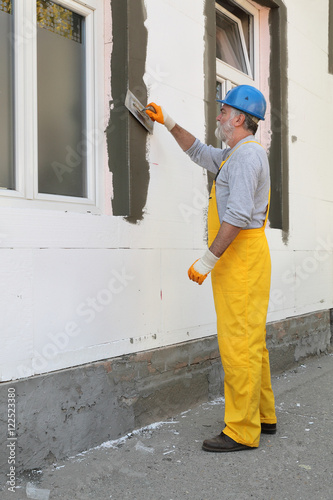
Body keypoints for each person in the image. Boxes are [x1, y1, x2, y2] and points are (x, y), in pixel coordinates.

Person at [145, 85, 277, 452]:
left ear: (239, 118)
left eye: (223, 110)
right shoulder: (235, 154)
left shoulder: (248, 157)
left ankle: (241, 431)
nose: (218, 115)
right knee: (251, 342)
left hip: (242, 259)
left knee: (238, 344)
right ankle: (263, 416)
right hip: (240, 258)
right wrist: (169, 123)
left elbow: (237, 215)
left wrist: (207, 259)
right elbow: (199, 152)